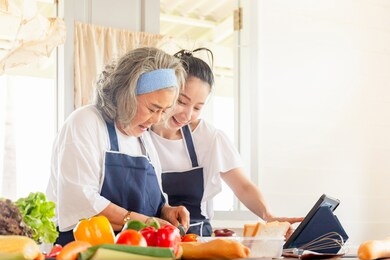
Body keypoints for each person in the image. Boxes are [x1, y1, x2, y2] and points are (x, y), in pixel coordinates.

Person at [149, 48, 303, 237]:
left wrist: (268, 216)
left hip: (196, 240)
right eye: (181, 101)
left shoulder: (210, 137)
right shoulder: (139, 134)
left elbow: (243, 187)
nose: (188, 115)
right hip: (151, 238)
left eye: (198, 107)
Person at [46, 47, 190, 246]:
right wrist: (146, 222)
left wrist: (166, 211)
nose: (157, 119)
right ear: (126, 95)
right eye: (152, 109)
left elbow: (155, 200)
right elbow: (82, 202)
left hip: (134, 251)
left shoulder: (143, 139)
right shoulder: (85, 122)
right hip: (83, 250)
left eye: (164, 111)